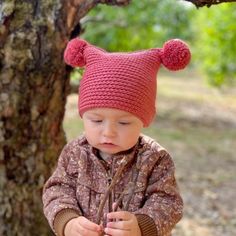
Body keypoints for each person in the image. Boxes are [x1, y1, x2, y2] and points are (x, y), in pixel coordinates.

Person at [42, 37, 191, 236]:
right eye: (96, 121)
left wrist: (141, 226)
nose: (109, 132)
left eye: (124, 123)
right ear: (83, 117)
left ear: (143, 120)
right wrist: (68, 221)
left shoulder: (155, 158)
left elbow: (168, 202)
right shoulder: (76, 152)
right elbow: (57, 189)